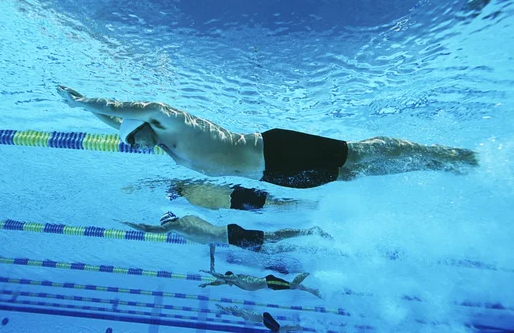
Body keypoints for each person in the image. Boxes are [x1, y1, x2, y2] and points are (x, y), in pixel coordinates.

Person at [57, 86, 479, 189]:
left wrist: (82, 102)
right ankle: (430, 165)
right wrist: (92, 115)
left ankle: (449, 153)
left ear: (143, 128)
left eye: (132, 138)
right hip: (271, 176)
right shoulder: (160, 143)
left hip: (274, 147)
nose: (129, 143)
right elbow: (117, 124)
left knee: (359, 153)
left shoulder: (166, 119)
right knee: (353, 175)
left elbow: (129, 110)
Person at [118, 211, 332, 253]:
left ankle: (310, 232)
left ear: (170, 221)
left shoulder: (179, 224)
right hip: (230, 236)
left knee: (272, 239)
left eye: (166, 226)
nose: (165, 229)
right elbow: (208, 238)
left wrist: (126, 221)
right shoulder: (186, 226)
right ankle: (307, 242)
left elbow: (148, 229)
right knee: (269, 248)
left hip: (232, 236)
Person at [166, 180, 299, 210]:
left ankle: (297, 205)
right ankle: (301, 204)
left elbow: (213, 208)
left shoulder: (191, 200)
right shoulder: (192, 185)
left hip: (233, 204)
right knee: (273, 200)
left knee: (271, 203)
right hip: (234, 193)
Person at [200, 270, 321, 298]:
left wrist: (210, 273)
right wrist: (208, 284)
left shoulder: (236, 278)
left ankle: (308, 271)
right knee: (293, 287)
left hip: (269, 281)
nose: (226, 284)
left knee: (293, 285)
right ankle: (313, 290)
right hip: (270, 285)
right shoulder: (234, 282)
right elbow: (219, 282)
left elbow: (222, 277)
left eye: (226, 281)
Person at [216, 306, 303, 332]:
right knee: (278, 329)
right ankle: (295, 328)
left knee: (278, 328)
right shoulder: (244, 315)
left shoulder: (243, 313)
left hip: (263, 317)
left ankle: (295, 327)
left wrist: (225, 309)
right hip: (263, 320)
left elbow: (234, 311)